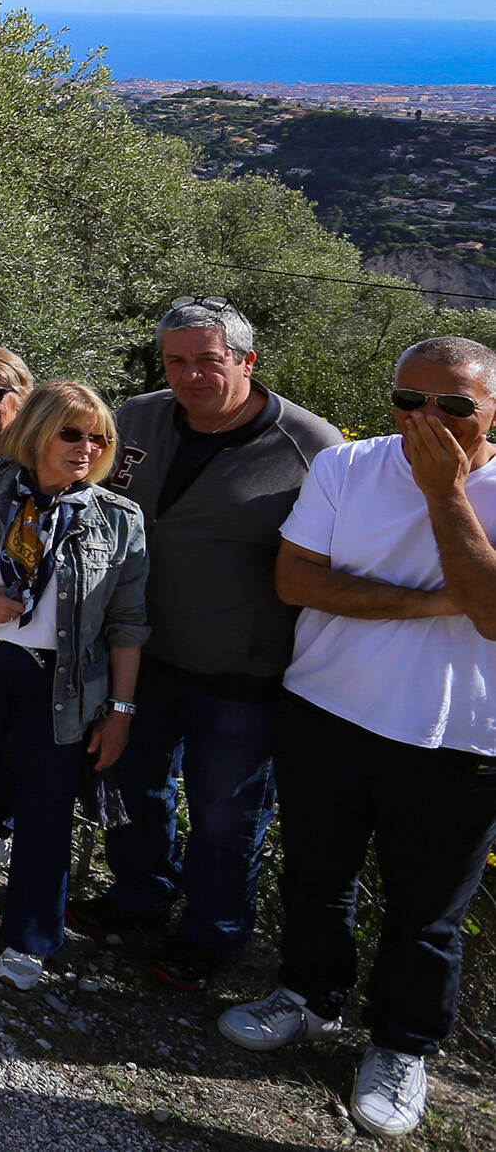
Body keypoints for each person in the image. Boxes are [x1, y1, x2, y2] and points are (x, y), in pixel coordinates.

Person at [213, 338, 496, 1138]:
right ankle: (306, 998)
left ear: (493, 410)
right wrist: (442, 602)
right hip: (327, 708)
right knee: (316, 874)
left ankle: (403, 1047)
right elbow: (297, 579)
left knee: (427, 913)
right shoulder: (347, 466)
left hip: (458, 740)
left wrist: (447, 494)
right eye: (409, 402)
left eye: (454, 406)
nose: (426, 421)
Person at [72, 304, 342, 990]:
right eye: (177, 360)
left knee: (227, 813)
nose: (191, 375)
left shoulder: (311, 447)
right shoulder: (137, 417)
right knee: (132, 783)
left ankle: (213, 934)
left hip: (241, 671)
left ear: (248, 362)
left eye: (209, 360)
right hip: (136, 653)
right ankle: (138, 898)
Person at [0, 380, 148, 991]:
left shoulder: (119, 520)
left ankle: (30, 936)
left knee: (45, 812)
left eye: (100, 438)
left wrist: (120, 709)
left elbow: (127, 622)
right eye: (72, 433)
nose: (87, 448)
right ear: (38, 431)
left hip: (61, 684)